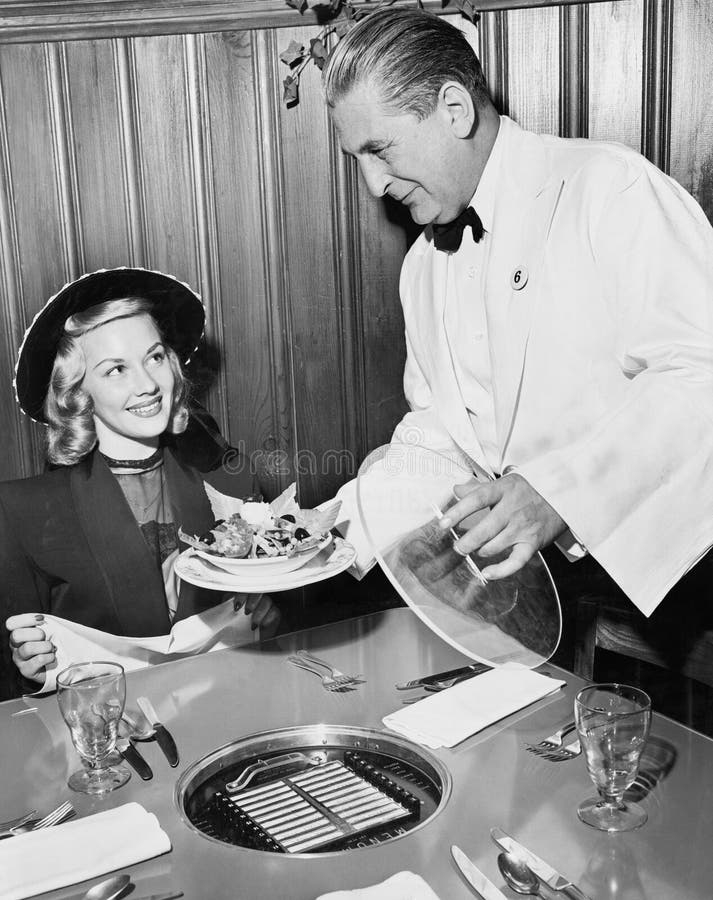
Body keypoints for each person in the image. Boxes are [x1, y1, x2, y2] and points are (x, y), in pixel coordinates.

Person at [323, 8, 713, 619]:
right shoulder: (422, 265)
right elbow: (440, 437)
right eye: (358, 159)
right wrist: (317, 535)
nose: (373, 185)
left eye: (379, 149)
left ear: (454, 109)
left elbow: (703, 373)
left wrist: (561, 494)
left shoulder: (608, 189)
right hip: (532, 601)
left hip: (672, 587)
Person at [1, 267, 280, 700]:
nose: (148, 384)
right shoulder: (25, 512)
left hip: (232, 712)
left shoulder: (231, 480)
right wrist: (29, 668)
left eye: (154, 357)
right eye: (116, 370)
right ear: (78, 392)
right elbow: (20, 683)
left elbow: (269, 625)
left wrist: (268, 616)